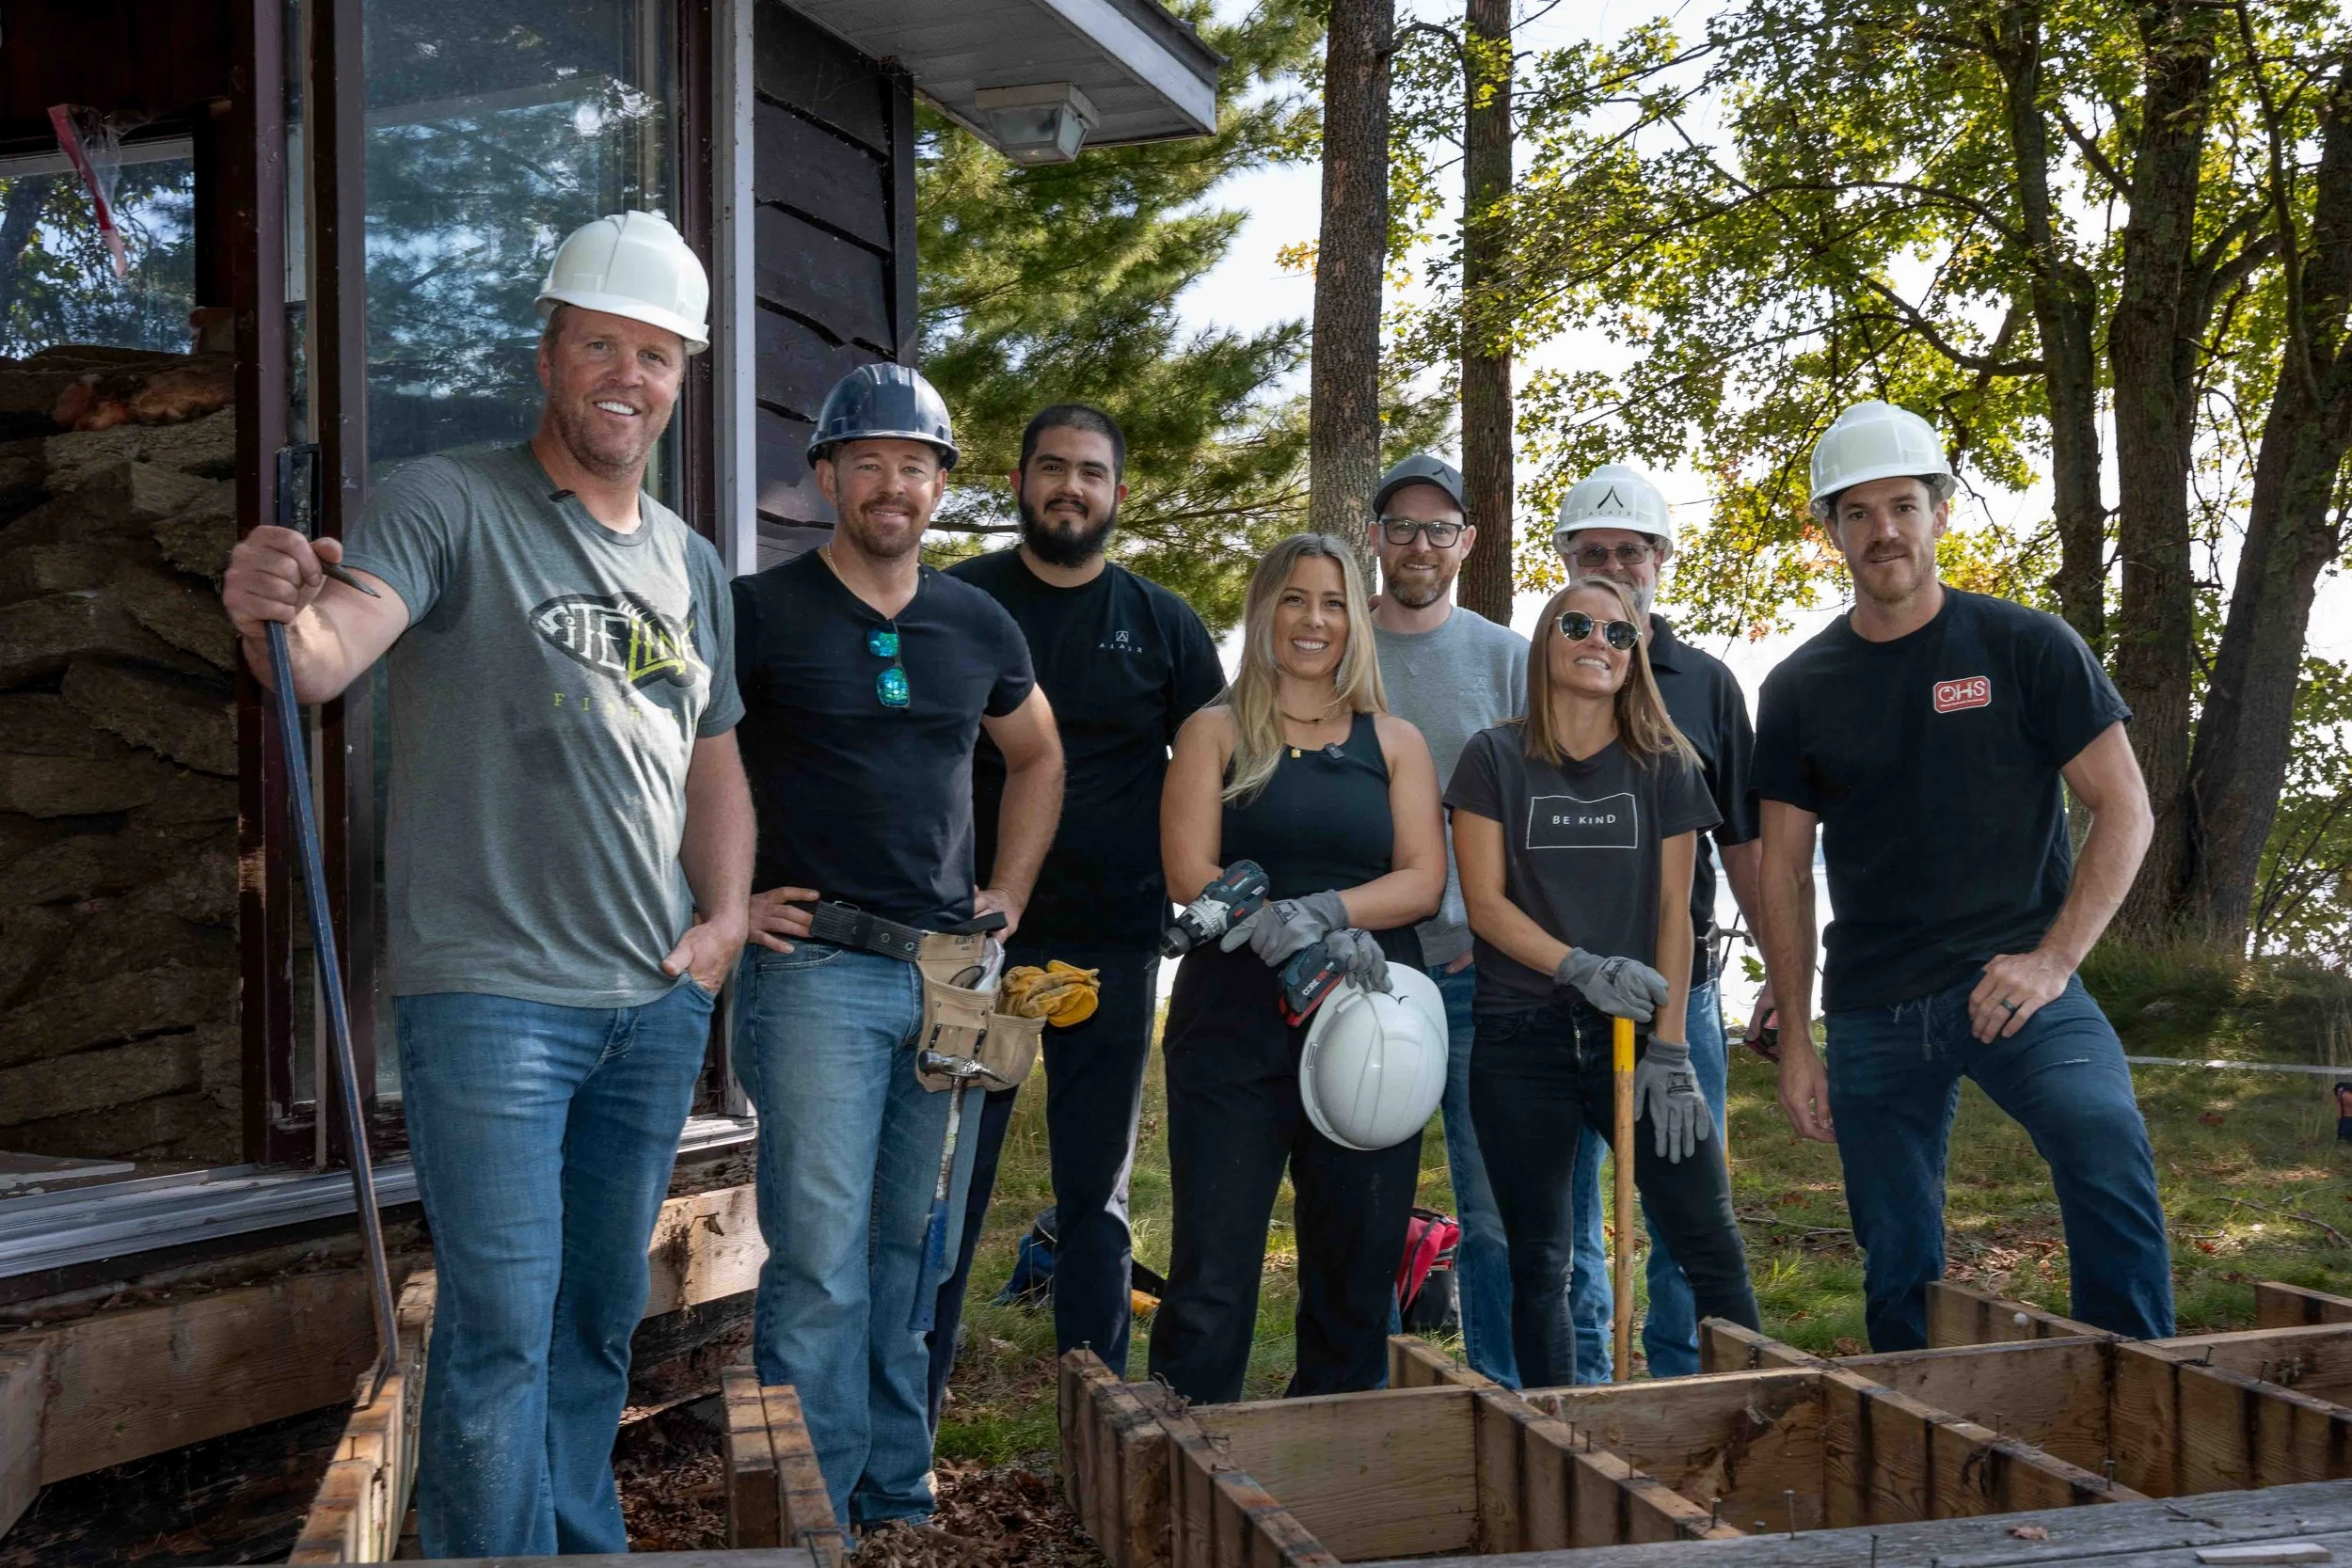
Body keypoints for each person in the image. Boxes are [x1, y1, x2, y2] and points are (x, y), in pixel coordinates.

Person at [219, 212, 754, 1558]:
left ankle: (578, 1537)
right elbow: (333, 651)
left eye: (656, 353)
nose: (626, 375)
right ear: (549, 353)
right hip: (495, 1003)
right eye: (599, 344)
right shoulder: (446, 497)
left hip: (652, 1002)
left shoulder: (689, 562)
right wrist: (274, 612)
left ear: (681, 375)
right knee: (501, 1316)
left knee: (591, 1316)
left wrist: (727, 922)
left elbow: (717, 765)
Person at [1753, 399, 2170, 1352]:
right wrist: (1799, 1031)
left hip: (2017, 986)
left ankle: (2142, 1375)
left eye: (1902, 504)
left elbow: (2126, 806)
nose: (1882, 530)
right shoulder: (1798, 686)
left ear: (1941, 511)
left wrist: (2053, 959)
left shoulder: (2025, 646)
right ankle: (1916, 1428)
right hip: (1873, 1005)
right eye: (1855, 512)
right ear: (1831, 531)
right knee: (1895, 1248)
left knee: (2100, 1135)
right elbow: (1780, 866)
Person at [729, 363, 1066, 1528]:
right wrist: (728, 896)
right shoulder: (758, 611)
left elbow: (1037, 754)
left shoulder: (977, 621)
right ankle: (808, 1505)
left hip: (943, 977)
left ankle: (893, 1485)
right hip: (813, 966)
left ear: (938, 487)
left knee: (905, 1245)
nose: (891, 483)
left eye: (913, 464)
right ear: (824, 475)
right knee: (818, 1253)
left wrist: (1006, 894)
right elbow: (683, 753)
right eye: (866, 460)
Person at [924, 404, 1224, 1406]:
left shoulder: (1164, 622)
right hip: (975, 943)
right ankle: (913, 1391)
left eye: (1090, 473)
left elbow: (1217, 768)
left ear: (1117, 495)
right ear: (1018, 482)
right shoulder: (956, 602)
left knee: (1093, 1188)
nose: (1069, 487)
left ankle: (1093, 1400)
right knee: (951, 1174)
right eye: (1050, 468)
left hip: (1114, 939)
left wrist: (1204, 893)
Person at [1150, 533, 1446, 1404]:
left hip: (1368, 1023)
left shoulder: (1394, 742)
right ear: (1262, 611)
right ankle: (1186, 1465)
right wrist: (1266, 920)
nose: (1313, 620)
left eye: (1331, 602)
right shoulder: (1211, 731)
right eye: (1293, 599)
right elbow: (1186, 866)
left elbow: (1422, 880)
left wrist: (1329, 914)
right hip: (1231, 1030)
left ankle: (1341, 1469)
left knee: (1356, 1268)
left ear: (1355, 619)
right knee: (1212, 1269)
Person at [1451, 576, 1761, 1389]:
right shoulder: (1492, 757)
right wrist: (1578, 967)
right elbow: (1484, 903)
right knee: (1542, 1260)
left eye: (1620, 634)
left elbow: (1674, 911)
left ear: (1636, 657)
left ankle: (1754, 1414)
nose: (1599, 642)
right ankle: (1559, 1442)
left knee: (1709, 1245)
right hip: (1524, 1038)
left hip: (1638, 1044)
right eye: (1580, 626)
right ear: (1547, 640)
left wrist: (1669, 1050)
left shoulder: (1665, 765)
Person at [1550, 464, 1769, 1381]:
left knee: (1689, 1214)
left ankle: (1685, 1381)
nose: (1611, 565)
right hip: (1556, 1000)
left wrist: (1785, 989)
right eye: (1590, 551)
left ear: (1659, 560)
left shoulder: (1707, 686)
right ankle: (1585, 1384)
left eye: (1628, 551)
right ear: (1562, 560)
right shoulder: (1537, 676)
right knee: (1563, 1226)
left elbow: (1747, 844)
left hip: (1681, 997)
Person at [1362, 453, 1527, 1386]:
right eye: (1401, 526)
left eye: (1438, 528)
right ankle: (1367, 1396)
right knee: (1363, 1199)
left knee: (1494, 1203)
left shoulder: (1507, 660)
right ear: (1375, 538)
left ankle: (1499, 1393)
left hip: (1477, 972)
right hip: (1363, 974)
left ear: (1466, 541)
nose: (1418, 544)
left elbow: (1546, 809)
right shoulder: (1336, 645)